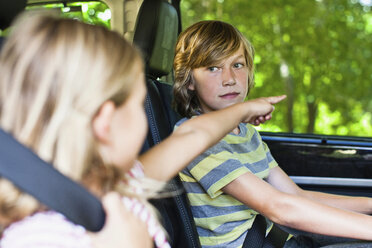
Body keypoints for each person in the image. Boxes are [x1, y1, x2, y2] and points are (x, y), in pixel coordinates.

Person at [0, 13, 283, 248]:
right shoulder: (44, 238)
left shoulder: (123, 185)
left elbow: (194, 135)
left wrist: (244, 110)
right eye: (138, 105)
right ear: (106, 123)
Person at [173, 20, 372, 248]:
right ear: (189, 80)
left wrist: (370, 204)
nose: (229, 79)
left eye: (238, 65)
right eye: (213, 68)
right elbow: (279, 208)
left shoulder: (246, 133)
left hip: (273, 240)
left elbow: (297, 197)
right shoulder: (196, 138)